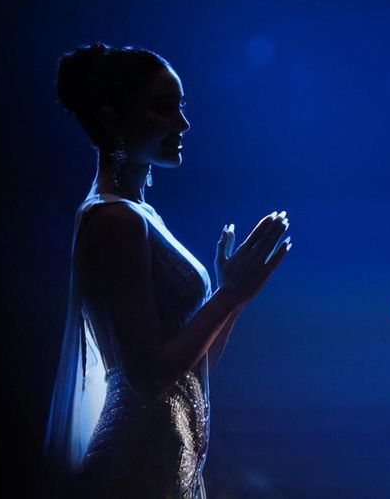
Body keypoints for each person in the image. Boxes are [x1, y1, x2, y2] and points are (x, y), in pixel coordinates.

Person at [44, 43, 292, 498]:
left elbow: (194, 369)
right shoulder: (115, 220)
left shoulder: (141, 215)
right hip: (136, 462)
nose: (183, 124)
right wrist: (229, 295)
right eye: (163, 109)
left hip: (168, 455)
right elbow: (148, 374)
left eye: (180, 108)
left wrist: (233, 298)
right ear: (113, 120)